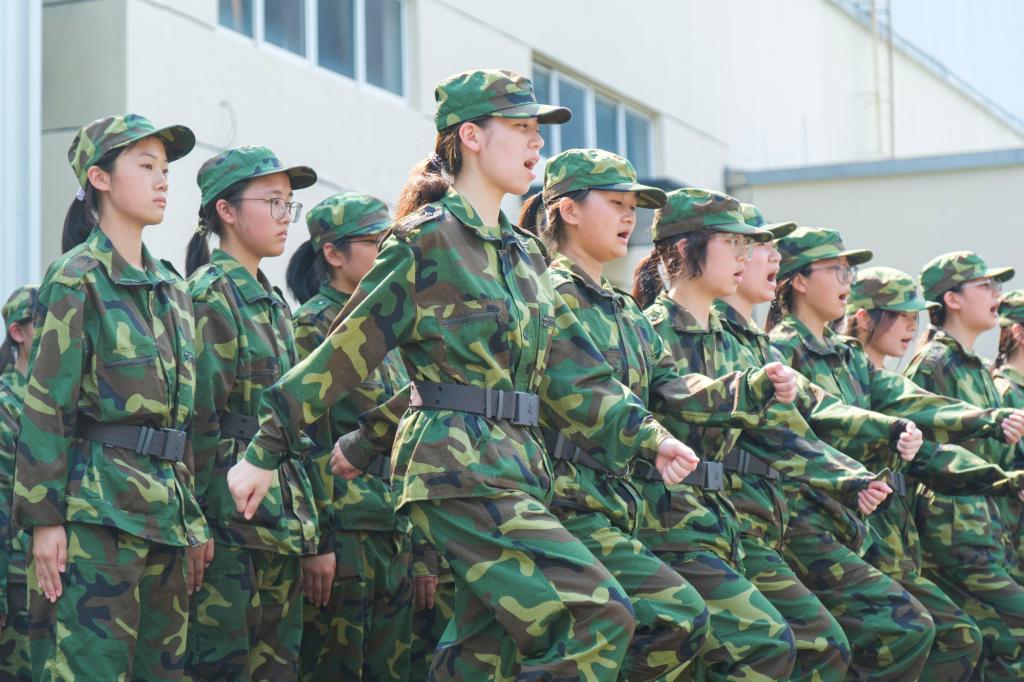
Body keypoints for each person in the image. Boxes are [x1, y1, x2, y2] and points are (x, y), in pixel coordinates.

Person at [226, 68, 709, 680]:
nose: (537, 141)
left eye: (538, 130)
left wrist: (651, 438)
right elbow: (343, 353)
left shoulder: (524, 254)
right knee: (595, 615)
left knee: (485, 656)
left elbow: (573, 371)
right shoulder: (427, 239)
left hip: (516, 469)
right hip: (455, 472)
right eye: (521, 127)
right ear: (472, 137)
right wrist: (265, 450)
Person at [519, 149, 822, 680]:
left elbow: (673, 386)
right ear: (568, 210)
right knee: (677, 620)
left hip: (620, 505)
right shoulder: (550, 293)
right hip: (565, 499)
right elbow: (586, 388)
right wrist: (655, 438)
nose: (628, 218)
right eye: (615, 204)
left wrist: (749, 386)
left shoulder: (622, 309)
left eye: (632, 207)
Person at [632, 190, 925, 680]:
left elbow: (792, 426)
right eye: (735, 243)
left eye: (751, 245)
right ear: (685, 249)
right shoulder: (651, 331)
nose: (750, 256)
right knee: (775, 645)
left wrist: (852, 475)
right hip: (675, 523)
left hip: (733, 522)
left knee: (814, 644)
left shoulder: (734, 341)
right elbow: (670, 401)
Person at [770, 234, 1024, 681]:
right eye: (836, 270)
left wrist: (987, 424)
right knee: (896, 635)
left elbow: (910, 401)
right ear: (800, 282)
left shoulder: (846, 355)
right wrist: (889, 434)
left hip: (867, 526)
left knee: (945, 636)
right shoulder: (780, 350)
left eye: (849, 271)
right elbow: (822, 423)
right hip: (810, 522)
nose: (846, 281)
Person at [12, 114, 208, 681]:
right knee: (90, 670)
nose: (162, 180)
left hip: (169, 515)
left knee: (163, 672)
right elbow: (46, 405)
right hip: (99, 514)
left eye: (165, 169)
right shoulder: (76, 277)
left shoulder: (173, 289)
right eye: (146, 166)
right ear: (99, 178)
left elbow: (183, 418)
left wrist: (192, 518)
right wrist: (45, 521)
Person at [183, 145, 319, 681]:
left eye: (289, 204)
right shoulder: (211, 295)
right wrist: (194, 521)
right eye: (273, 202)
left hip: (278, 521)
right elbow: (197, 419)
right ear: (227, 210)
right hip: (227, 523)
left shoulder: (272, 302)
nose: (286, 216)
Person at [288, 192, 415, 681]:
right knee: (337, 666)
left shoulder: (389, 323)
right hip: (344, 526)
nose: (387, 251)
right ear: (333, 254)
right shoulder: (314, 326)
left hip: (392, 521)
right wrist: (316, 539)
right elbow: (302, 441)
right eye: (375, 242)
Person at [905, 252, 1024, 680]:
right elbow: (911, 449)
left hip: (986, 530)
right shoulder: (934, 364)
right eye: (985, 286)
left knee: (989, 646)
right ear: (952, 299)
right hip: (951, 532)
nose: (997, 295)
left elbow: (993, 459)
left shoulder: (974, 368)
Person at [0, 285, 38, 681]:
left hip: (58, 572)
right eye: (43, 323)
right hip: (16, 579)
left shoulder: (61, 400)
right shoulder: (6, 405)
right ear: (18, 332)